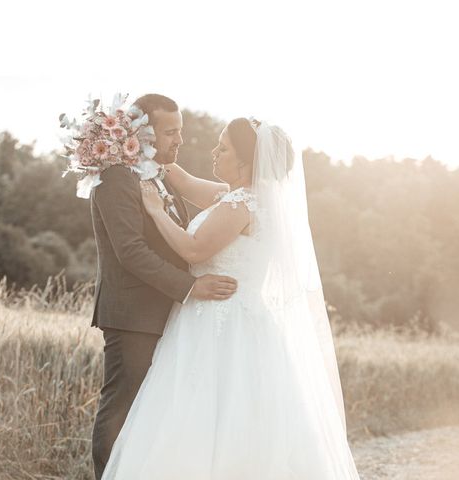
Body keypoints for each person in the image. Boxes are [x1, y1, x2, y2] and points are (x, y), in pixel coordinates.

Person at [100, 117, 361, 479]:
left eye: (223, 148)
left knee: (214, 411)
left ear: (244, 162)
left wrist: (157, 212)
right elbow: (182, 179)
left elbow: (194, 249)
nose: (214, 151)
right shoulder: (241, 198)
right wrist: (130, 145)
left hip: (224, 320)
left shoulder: (242, 205)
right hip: (227, 316)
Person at [89, 94, 238, 480]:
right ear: (143, 132)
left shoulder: (155, 174)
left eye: (180, 131)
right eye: (171, 132)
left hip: (166, 313)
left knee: (150, 414)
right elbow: (131, 252)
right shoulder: (116, 177)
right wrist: (191, 287)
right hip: (134, 315)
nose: (180, 140)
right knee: (123, 407)